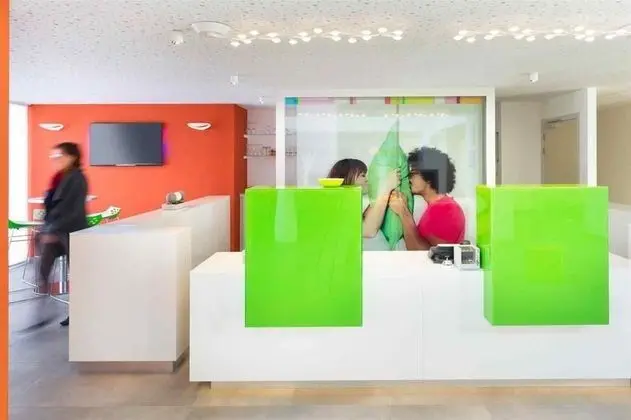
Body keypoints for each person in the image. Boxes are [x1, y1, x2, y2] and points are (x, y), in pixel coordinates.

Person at [36, 142, 88, 327]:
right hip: (58, 231)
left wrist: (52, 230)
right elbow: (52, 206)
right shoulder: (60, 177)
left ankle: (77, 313)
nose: (55, 160)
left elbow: (73, 212)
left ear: (72, 157)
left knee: (76, 276)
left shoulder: (77, 179)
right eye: (53, 157)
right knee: (44, 269)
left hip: (71, 232)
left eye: (59, 156)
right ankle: (42, 311)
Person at [388, 147, 465, 250]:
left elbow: (426, 254)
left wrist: (403, 212)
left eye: (413, 173)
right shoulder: (438, 207)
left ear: (429, 175)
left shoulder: (447, 208)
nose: (409, 179)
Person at [327, 159, 399, 248]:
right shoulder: (336, 206)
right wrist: (386, 187)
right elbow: (368, 231)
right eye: (363, 175)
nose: (367, 179)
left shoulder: (356, 204)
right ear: (346, 176)